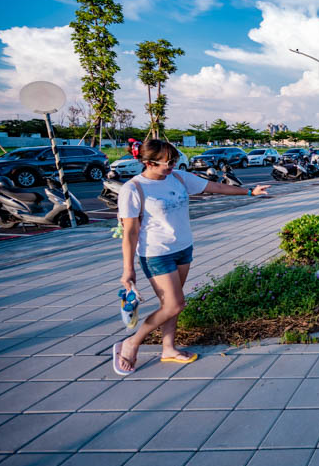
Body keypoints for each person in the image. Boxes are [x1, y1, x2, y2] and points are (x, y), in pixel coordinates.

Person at [113, 139, 271, 375]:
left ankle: (168, 348)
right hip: (156, 254)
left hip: (183, 249)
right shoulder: (133, 189)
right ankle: (131, 343)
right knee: (175, 304)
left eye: (173, 161)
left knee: (171, 306)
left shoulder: (177, 178)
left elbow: (213, 187)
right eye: (165, 163)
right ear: (147, 162)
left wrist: (249, 191)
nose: (170, 166)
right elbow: (130, 232)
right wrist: (128, 269)